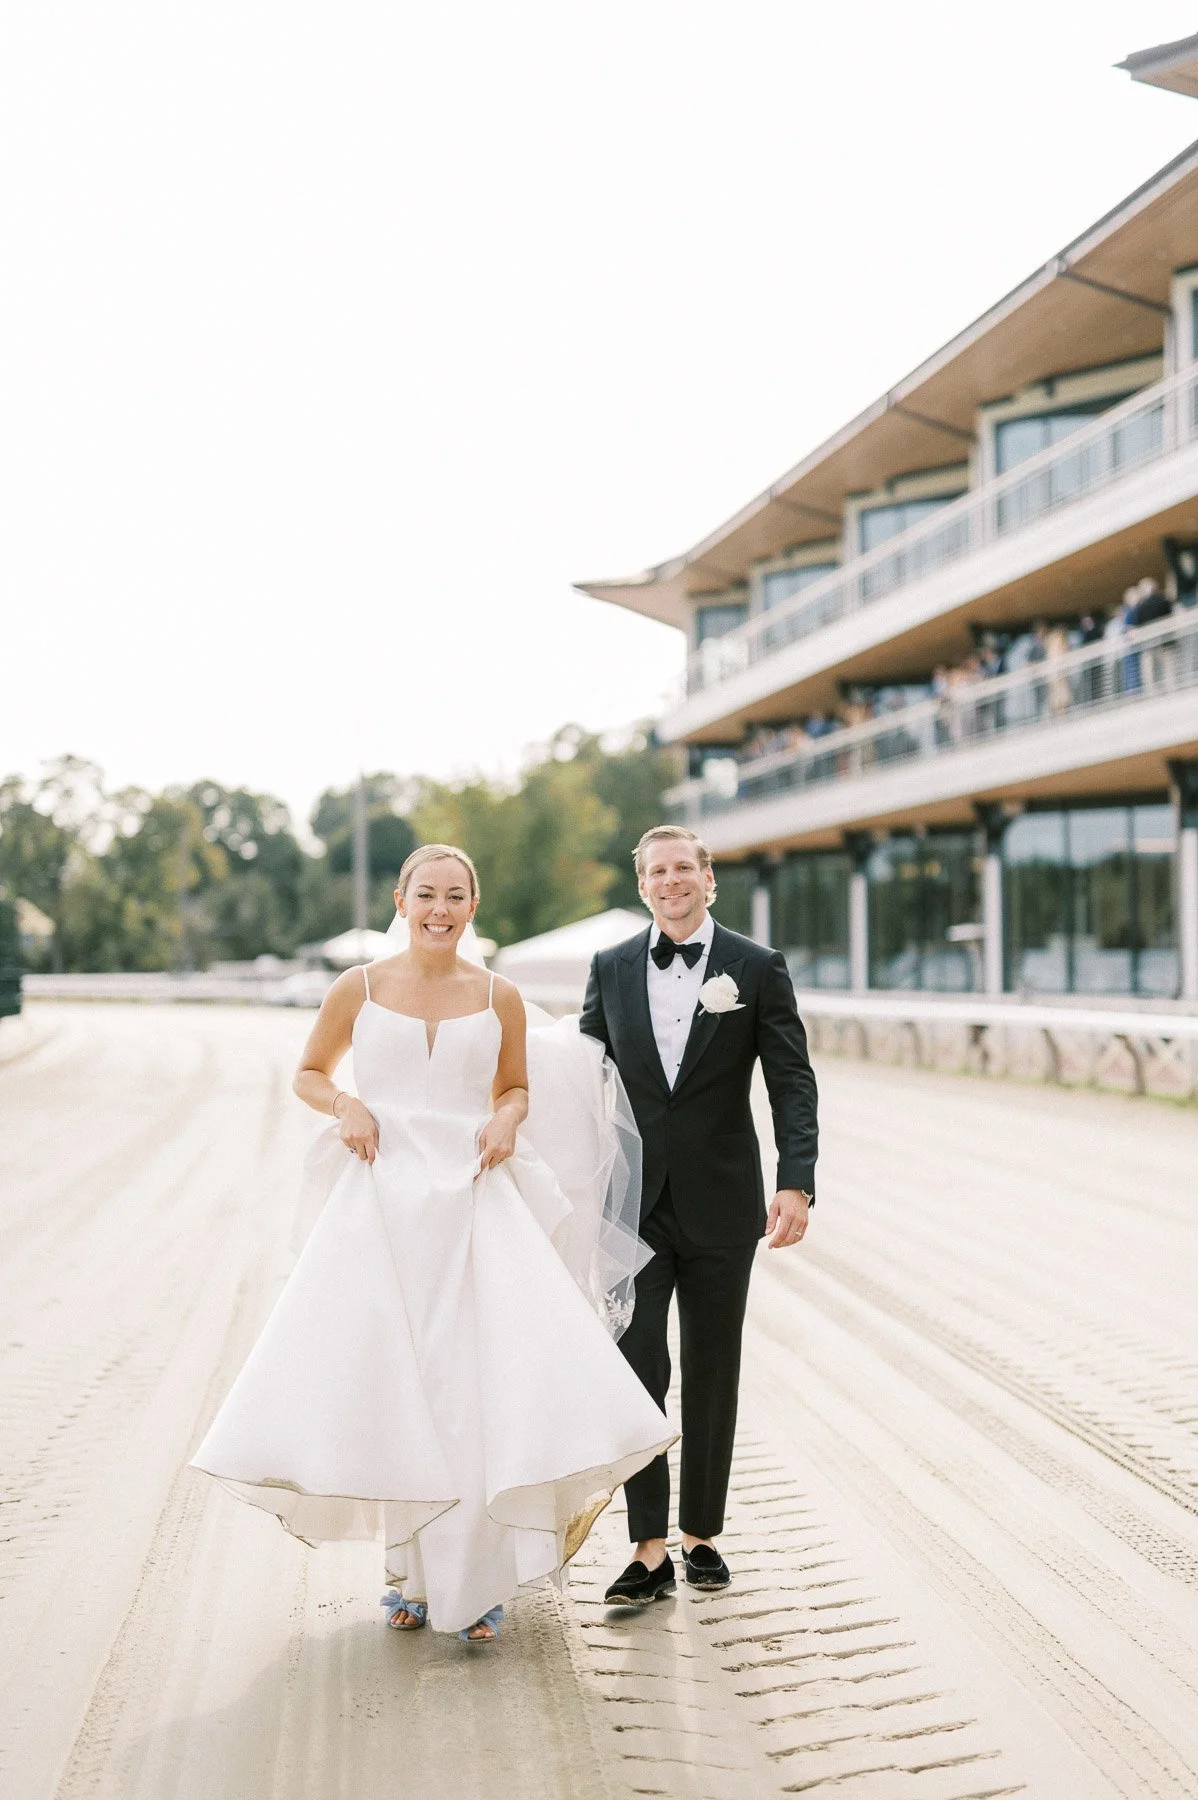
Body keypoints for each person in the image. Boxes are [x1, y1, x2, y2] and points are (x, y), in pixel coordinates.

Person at [191, 844, 674, 1642]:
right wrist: (346, 1106)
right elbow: (309, 1073)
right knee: (397, 1386)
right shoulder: (357, 987)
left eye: (454, 896)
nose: (439, 909)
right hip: (380, 1205)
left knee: (470, 1388)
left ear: (472, 907)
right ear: (401, 900)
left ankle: (475, 1586)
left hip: (474, 1197)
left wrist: (507, 1117)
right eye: (426, 894)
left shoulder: (498, 995)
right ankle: (409, 1576)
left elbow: (514, 1086)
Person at [580, 825, 818, 1605]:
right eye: (658, 871)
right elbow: (581, 1076)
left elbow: (790, 1080)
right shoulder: (610, 966)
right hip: (633, 1205)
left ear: (709, 879)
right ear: (642, 884)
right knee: (636, 1367)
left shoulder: (757, 966)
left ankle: (701, 1536)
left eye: (685, 867)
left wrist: (796, 1181)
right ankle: (647, 1548)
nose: (672, 880)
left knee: (714, 1368)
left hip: (723, 1201)